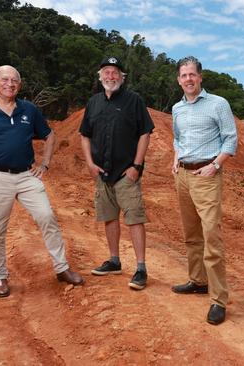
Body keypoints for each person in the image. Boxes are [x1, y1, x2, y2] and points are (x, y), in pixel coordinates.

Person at [0, 65, 83, 298]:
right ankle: (0, 277)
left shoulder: (29, 109)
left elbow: (50, 136)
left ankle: (62, 269)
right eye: (5, 80)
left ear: (20, 84)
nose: (10, 84)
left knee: (47, 216)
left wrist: (45, 164)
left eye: (15, 81)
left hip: (26, 175)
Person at [171, 56, 238, 325]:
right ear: (179, 80)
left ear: (200, 77)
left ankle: (218, 299)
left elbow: (230, 138)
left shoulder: (218, 104)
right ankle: (197, 281)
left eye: (192, 75)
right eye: (183, 75)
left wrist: (215, 166)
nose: (188, 79)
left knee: (211, 235)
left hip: (207, 175)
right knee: (191, 234)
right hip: (183, 176)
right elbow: (177, 137)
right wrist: (175, 157)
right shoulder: (177, 108)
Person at [79, 57, 155, 290]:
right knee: (109, 217)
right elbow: (85, 134)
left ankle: (141, 268)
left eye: (115, 73)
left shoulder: (134, 101)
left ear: (122, 77)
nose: (110, 76)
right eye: (106, 72)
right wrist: (90, 164)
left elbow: (145, 133)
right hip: (102, 173)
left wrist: (136, 166)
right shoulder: (94, 102)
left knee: (134, 219)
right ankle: (114, 260)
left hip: (126, 173)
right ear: (100, 76)